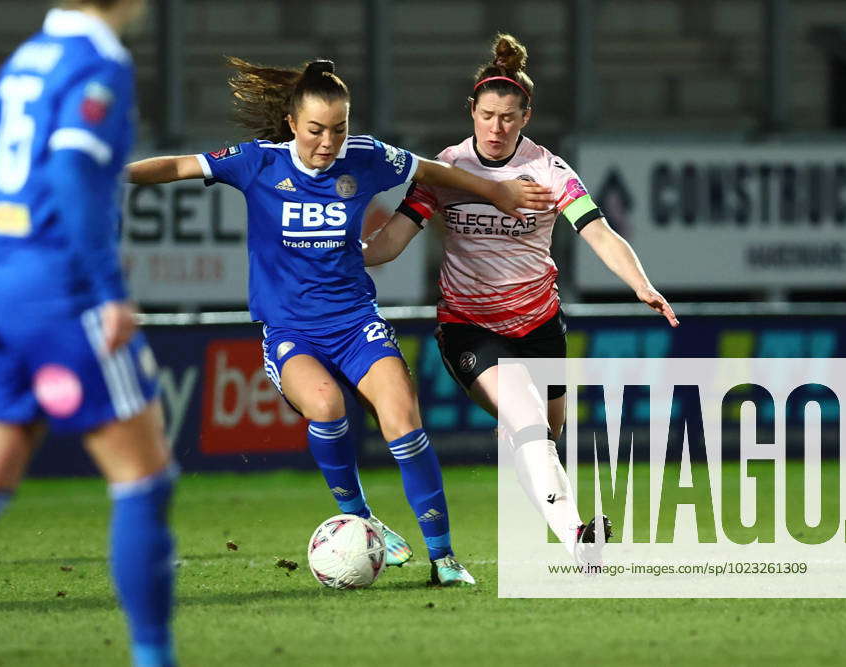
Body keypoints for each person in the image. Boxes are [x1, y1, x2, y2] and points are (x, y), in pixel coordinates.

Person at [126, 57, 552, 586]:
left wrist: (498, 191)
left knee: (403, 417)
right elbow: (175, 167)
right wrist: (107, 178)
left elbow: (432, 171)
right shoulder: (256, 163)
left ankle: (443, 559)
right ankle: (365, 519)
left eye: (339, 128)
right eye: (316, 130)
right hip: (290, 332)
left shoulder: (367, 157)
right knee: (326, 407)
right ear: (291, 125)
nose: (328, 142)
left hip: (356, 323)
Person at [0, 3, 178, 666]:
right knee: (145, 479)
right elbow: (70, 172)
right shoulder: (99, 61)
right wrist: (108, 289)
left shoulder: (27, 57)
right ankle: (153, 656)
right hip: (59, 290)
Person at [363, 34, 679, 562]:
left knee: (541, 437)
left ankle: (557, 517)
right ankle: (580, 538)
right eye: (486, 115)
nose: (495, 127)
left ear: (525, 117)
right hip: (470, 327)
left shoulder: (549, 172)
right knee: (528, 420)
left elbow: (598, 232)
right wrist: (338, 253)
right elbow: (393, 239)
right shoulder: (448, 169)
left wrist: (641, 284)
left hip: (540, 327)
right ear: (472, 110)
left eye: (508, 117)